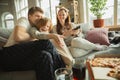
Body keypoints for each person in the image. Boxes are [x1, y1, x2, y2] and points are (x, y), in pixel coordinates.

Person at [0, 7, 65, 80]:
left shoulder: (35, 28)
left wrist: (38, 35)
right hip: (8, 56)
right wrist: (36, 36)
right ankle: (62, 70)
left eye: (41, 17)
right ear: (29, 16)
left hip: (18, 62)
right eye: (37, 16)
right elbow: (18, 37)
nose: (39, 18)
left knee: (45, 56)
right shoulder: (24, 20)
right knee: (45, 42)